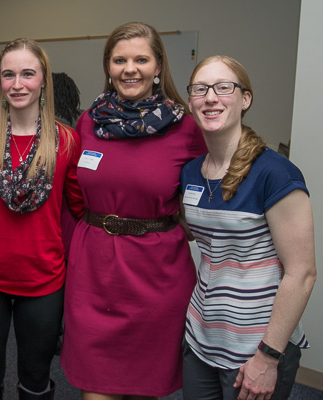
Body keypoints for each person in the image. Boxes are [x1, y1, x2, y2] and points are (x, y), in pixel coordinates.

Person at [59, 22, 207, 400]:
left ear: (158, 67)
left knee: (144, 390)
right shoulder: (89, 122)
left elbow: (205, 195)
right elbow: (72, 190)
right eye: (119, 59)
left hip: (156, 277)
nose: (130, 68)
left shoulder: (186, 128)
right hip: (94, 272)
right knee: (95, 390)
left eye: (141, 59)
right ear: (108, 66)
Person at [180, 55, 317, 400]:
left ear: (245, 99)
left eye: (223, 87)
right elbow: (202, 237)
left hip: (255, 347)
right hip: (202, 338)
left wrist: (268, 357)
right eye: (200, 89)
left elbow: (302, 273)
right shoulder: (191, 173)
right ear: (191, 101)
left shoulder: (275, 173)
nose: (210, 97)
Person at [0, 38, 84, 400]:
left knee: (36, 377)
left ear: (43, 80)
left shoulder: (66, 141)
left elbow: (80, 208)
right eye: (9, 75)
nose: (18, 84)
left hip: (43, 279)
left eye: (27, 74)